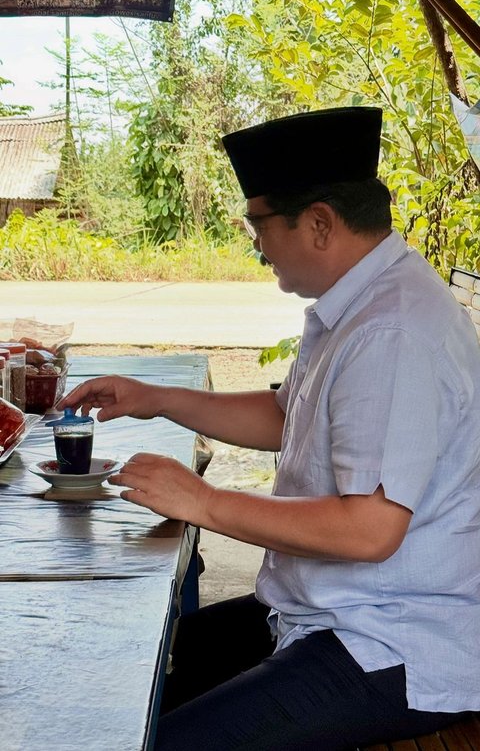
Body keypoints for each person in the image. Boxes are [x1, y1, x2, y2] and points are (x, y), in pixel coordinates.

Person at [59, 107, 480, 750]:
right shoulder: (360, 302)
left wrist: (202, 501)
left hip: (393, 639)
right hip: (331, 606)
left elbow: (370, 529)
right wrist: (156, 397)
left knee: (159, 740)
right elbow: (290, 416)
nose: (255, 244)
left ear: (317, 223)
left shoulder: (393, 331)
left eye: (259, 224)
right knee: (139, 666)